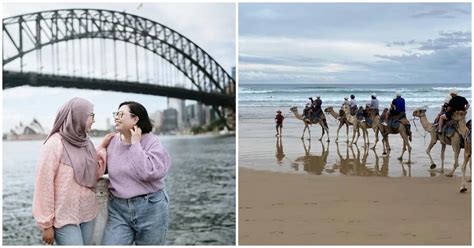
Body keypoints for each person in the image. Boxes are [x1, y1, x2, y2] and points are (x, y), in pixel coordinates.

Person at [32, 97, 106, 245]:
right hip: (63, 217)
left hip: (88, 212)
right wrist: (46, 225)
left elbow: (92, 175)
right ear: (78, 116)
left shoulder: (87, 143)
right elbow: (44, 184)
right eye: (91, 116)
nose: (94, 120)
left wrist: (103, 149)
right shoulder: (55, 143)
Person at [100, 101, 171, 245]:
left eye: (121, 114)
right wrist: (101, 147)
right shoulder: (112, 142)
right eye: (116, 114)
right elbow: (97, 170)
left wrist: (135, 144)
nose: (116, 117)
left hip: (151, 208)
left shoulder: (152, 142)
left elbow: (148, 173)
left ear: (135, 119)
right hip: (118, 210)